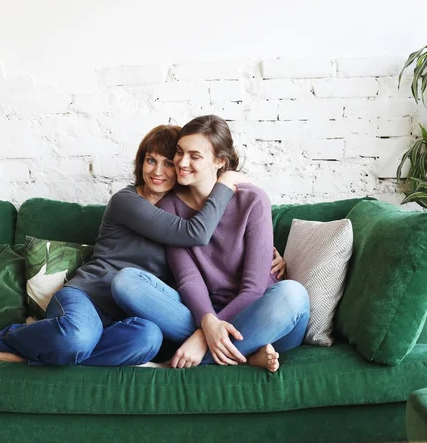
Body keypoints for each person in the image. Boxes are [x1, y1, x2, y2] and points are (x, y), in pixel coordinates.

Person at [0, 124, 285, 366]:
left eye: (170, 162)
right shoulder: (128, 201)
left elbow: (210, 251)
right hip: (90, 296)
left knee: (148, 342)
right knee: (77, 337)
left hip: (130, 315)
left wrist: (270, 254)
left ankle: (30, 354)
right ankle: (3, 339)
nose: (161, 170)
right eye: (152, 160)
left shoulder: (181, 206)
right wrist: (227, 181)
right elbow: (194, 233)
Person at [112, 115, 310, 372]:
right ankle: (247, 356)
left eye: (194, 156)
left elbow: (254, 288)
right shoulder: (170, 206)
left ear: (220, 162)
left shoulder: (252, 200)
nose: (182, 163)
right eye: (180, 153)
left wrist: (203, 337)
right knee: (126, 281)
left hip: (260, 315)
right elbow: (188, 279)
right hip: (200, 313)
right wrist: (207, 322)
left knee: (293, 294)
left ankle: (186, 360)